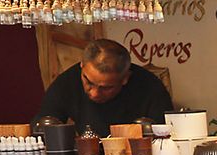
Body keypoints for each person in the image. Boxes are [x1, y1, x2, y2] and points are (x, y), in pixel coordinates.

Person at [37, 39, 172, 135]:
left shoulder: (150, 87)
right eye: (88, 82)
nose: (94, 93)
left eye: (106, 88)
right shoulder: (66, 82)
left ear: (125, 78)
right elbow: (42, 125)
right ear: (82, 66)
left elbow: (165, 135)